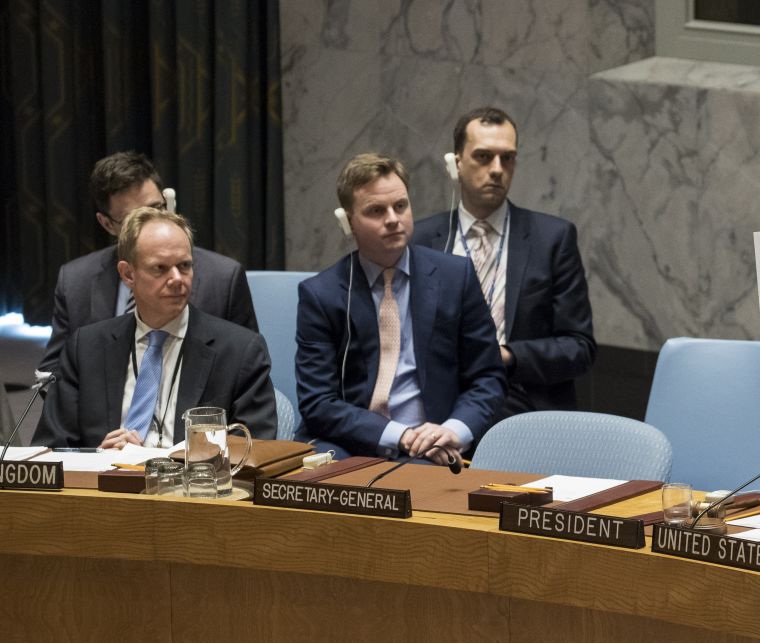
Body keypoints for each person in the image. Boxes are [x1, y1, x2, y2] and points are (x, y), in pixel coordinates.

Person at [297, 153, 505, 464]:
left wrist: (454, 430)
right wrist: (401, 436)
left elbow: (488, 377)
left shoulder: (455, 277)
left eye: (400, 206)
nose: (393, 219)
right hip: (347, 443)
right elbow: (318, 402)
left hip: (432, 443)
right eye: (376, 211)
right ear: (348, 222)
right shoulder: (321, 294)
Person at [34, 208, 276, 448]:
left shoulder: (240, 351)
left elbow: (254, 450)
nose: (177, 279)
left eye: (184, 266)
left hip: (193, 484)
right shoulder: (86, 347)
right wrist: (97, 457)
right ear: (128, 274)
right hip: (106, 483)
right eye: (160, 268)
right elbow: (52, 447)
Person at [412, 107, 595, 419]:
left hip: (517, 397)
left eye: (507, 158)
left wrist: (508, 356)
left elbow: (579, 348)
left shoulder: (552, 239)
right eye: (483, 157)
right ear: (457, 162)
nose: (497, 169)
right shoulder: (421, 238)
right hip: (437, 395)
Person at [39, 152, 257, 376]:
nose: (152, 223)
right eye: (133, 219)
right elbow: (53, 372)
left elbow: (247, 367)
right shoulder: (75, 281)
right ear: (106, 223)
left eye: (157, 208)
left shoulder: (222, 279)